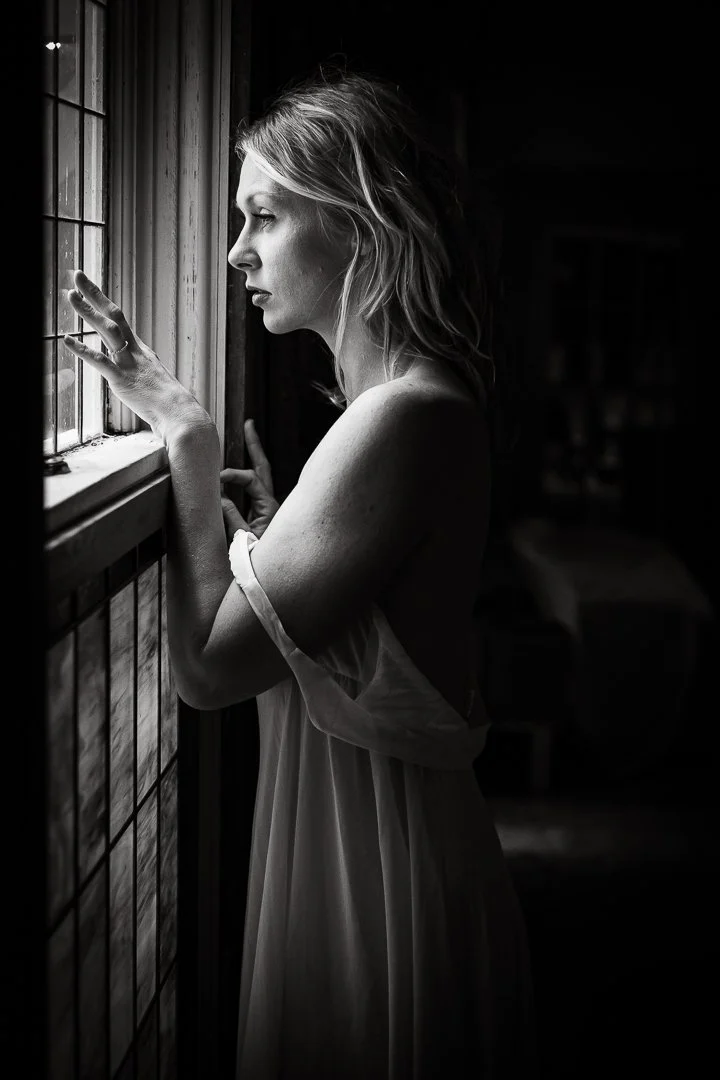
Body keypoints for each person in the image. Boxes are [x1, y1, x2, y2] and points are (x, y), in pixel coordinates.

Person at [63, 69, 536, 1079]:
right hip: (361, 850)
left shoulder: (404, 416)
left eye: (263, 216)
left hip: (379, 876)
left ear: (366, 223)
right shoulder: (404, 410)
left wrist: (184, 436)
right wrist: (278, 533)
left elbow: (208, 672)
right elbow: (371, 626)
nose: (235, 251)